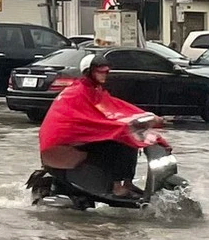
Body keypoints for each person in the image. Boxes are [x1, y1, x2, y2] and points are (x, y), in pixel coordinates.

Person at [37, 51, 163, 200]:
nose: (104, 75)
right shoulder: (77, 93)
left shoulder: (95, 91)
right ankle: (116, 187)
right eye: (100, 72)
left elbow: (115, 107)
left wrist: (144, 115)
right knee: (118, 140)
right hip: (65, 143)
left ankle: (127, 183)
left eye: (106, 72)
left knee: (128, 136)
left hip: (80, 138)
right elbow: (88, 118)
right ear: (89, 72)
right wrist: (116, 127)